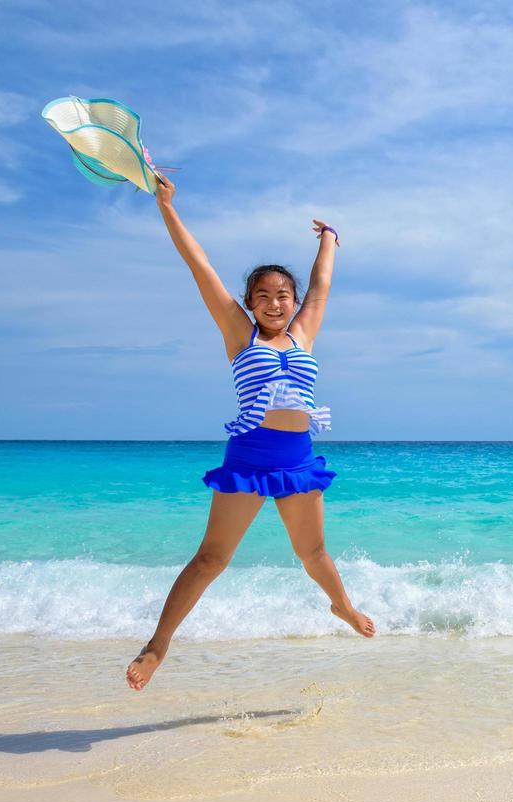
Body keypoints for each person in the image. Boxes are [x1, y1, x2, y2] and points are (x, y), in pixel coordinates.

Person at [127, 173, 375, 692]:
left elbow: (323, 285)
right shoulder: (239, 334)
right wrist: (167, 206)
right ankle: (157, 646)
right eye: (262, 296)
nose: (275, 304)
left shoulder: (304, 332)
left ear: (293, 300)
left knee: (314, 554)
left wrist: (330, 237)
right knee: (211, 558)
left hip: (297, 460)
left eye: (283, 296)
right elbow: (200, 266)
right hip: (249, 458)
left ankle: (342, 606)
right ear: (248, 302)